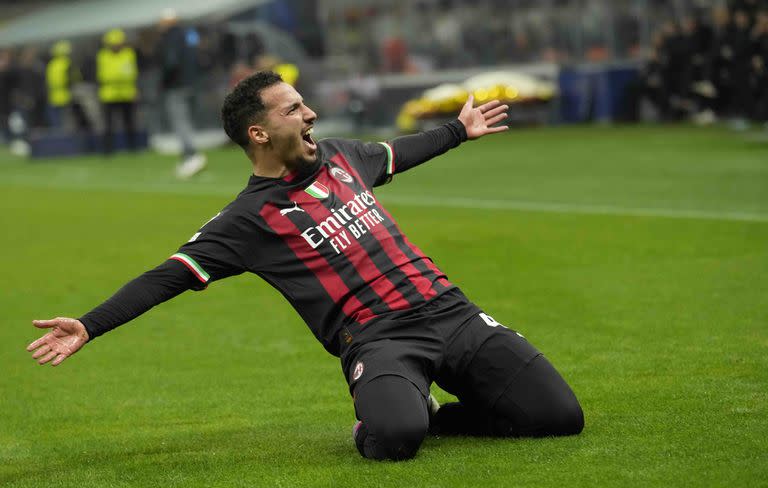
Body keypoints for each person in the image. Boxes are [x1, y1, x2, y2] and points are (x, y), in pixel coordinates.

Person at [26, 71, 584, 461]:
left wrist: (458, 131)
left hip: (451, 312)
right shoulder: (248, 219)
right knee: (394, 439)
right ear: (259, 134)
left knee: (560, 417)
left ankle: (440, 415)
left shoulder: (342, 156)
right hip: (379, 338)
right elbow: (167, 276)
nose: (310, 113)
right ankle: (398, 411)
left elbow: (397, 152)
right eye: (293, 109)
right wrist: (89, 324)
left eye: (304, 102)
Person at [157, 8, 207, 178]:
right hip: (191, 84)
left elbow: (171, 62)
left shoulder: (170, 39)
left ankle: (191, 155)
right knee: (187, 121)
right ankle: (189, 155)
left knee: (180, 122)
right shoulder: (188, 36)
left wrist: (164, 82)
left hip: (176, 85)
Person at [97, 29, 139, 153]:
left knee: (129, 122)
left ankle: (133, 148)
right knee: (108, 125)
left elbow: (132, 72)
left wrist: (134, 89)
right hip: (109, 94)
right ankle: (108, 150)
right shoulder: (103, 55)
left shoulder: (128, 54)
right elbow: (102, 75)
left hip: (126, 93)